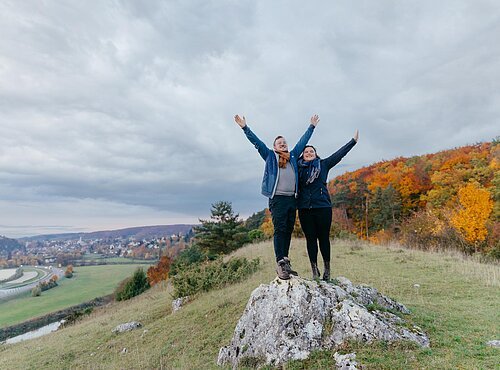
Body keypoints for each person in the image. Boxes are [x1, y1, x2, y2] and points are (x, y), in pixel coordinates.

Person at [234, 114, 320, 280]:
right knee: (280, 229)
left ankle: (285, 262)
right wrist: (245, 127)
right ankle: (280, 264)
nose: (283, 143)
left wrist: (311, 126)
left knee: (288, 230)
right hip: (278, 199)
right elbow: (257, 143)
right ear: (274, 147)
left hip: (291, 200)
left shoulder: (293, 156)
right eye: (279, 143)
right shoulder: (270, 156)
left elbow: (302, 142)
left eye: (284, 142)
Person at [297, 130, 359, 280]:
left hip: (323, 208)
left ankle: (327, 270)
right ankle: (314, 270)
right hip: (305, 209)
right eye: (306, 152)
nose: (309, 153)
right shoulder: (297, 168)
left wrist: (353, 142)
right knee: (310, 239)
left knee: (324, 238)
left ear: (316, 154)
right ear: (302, 155)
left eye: (312, 151)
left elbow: (339, 155)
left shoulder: (323, 164)